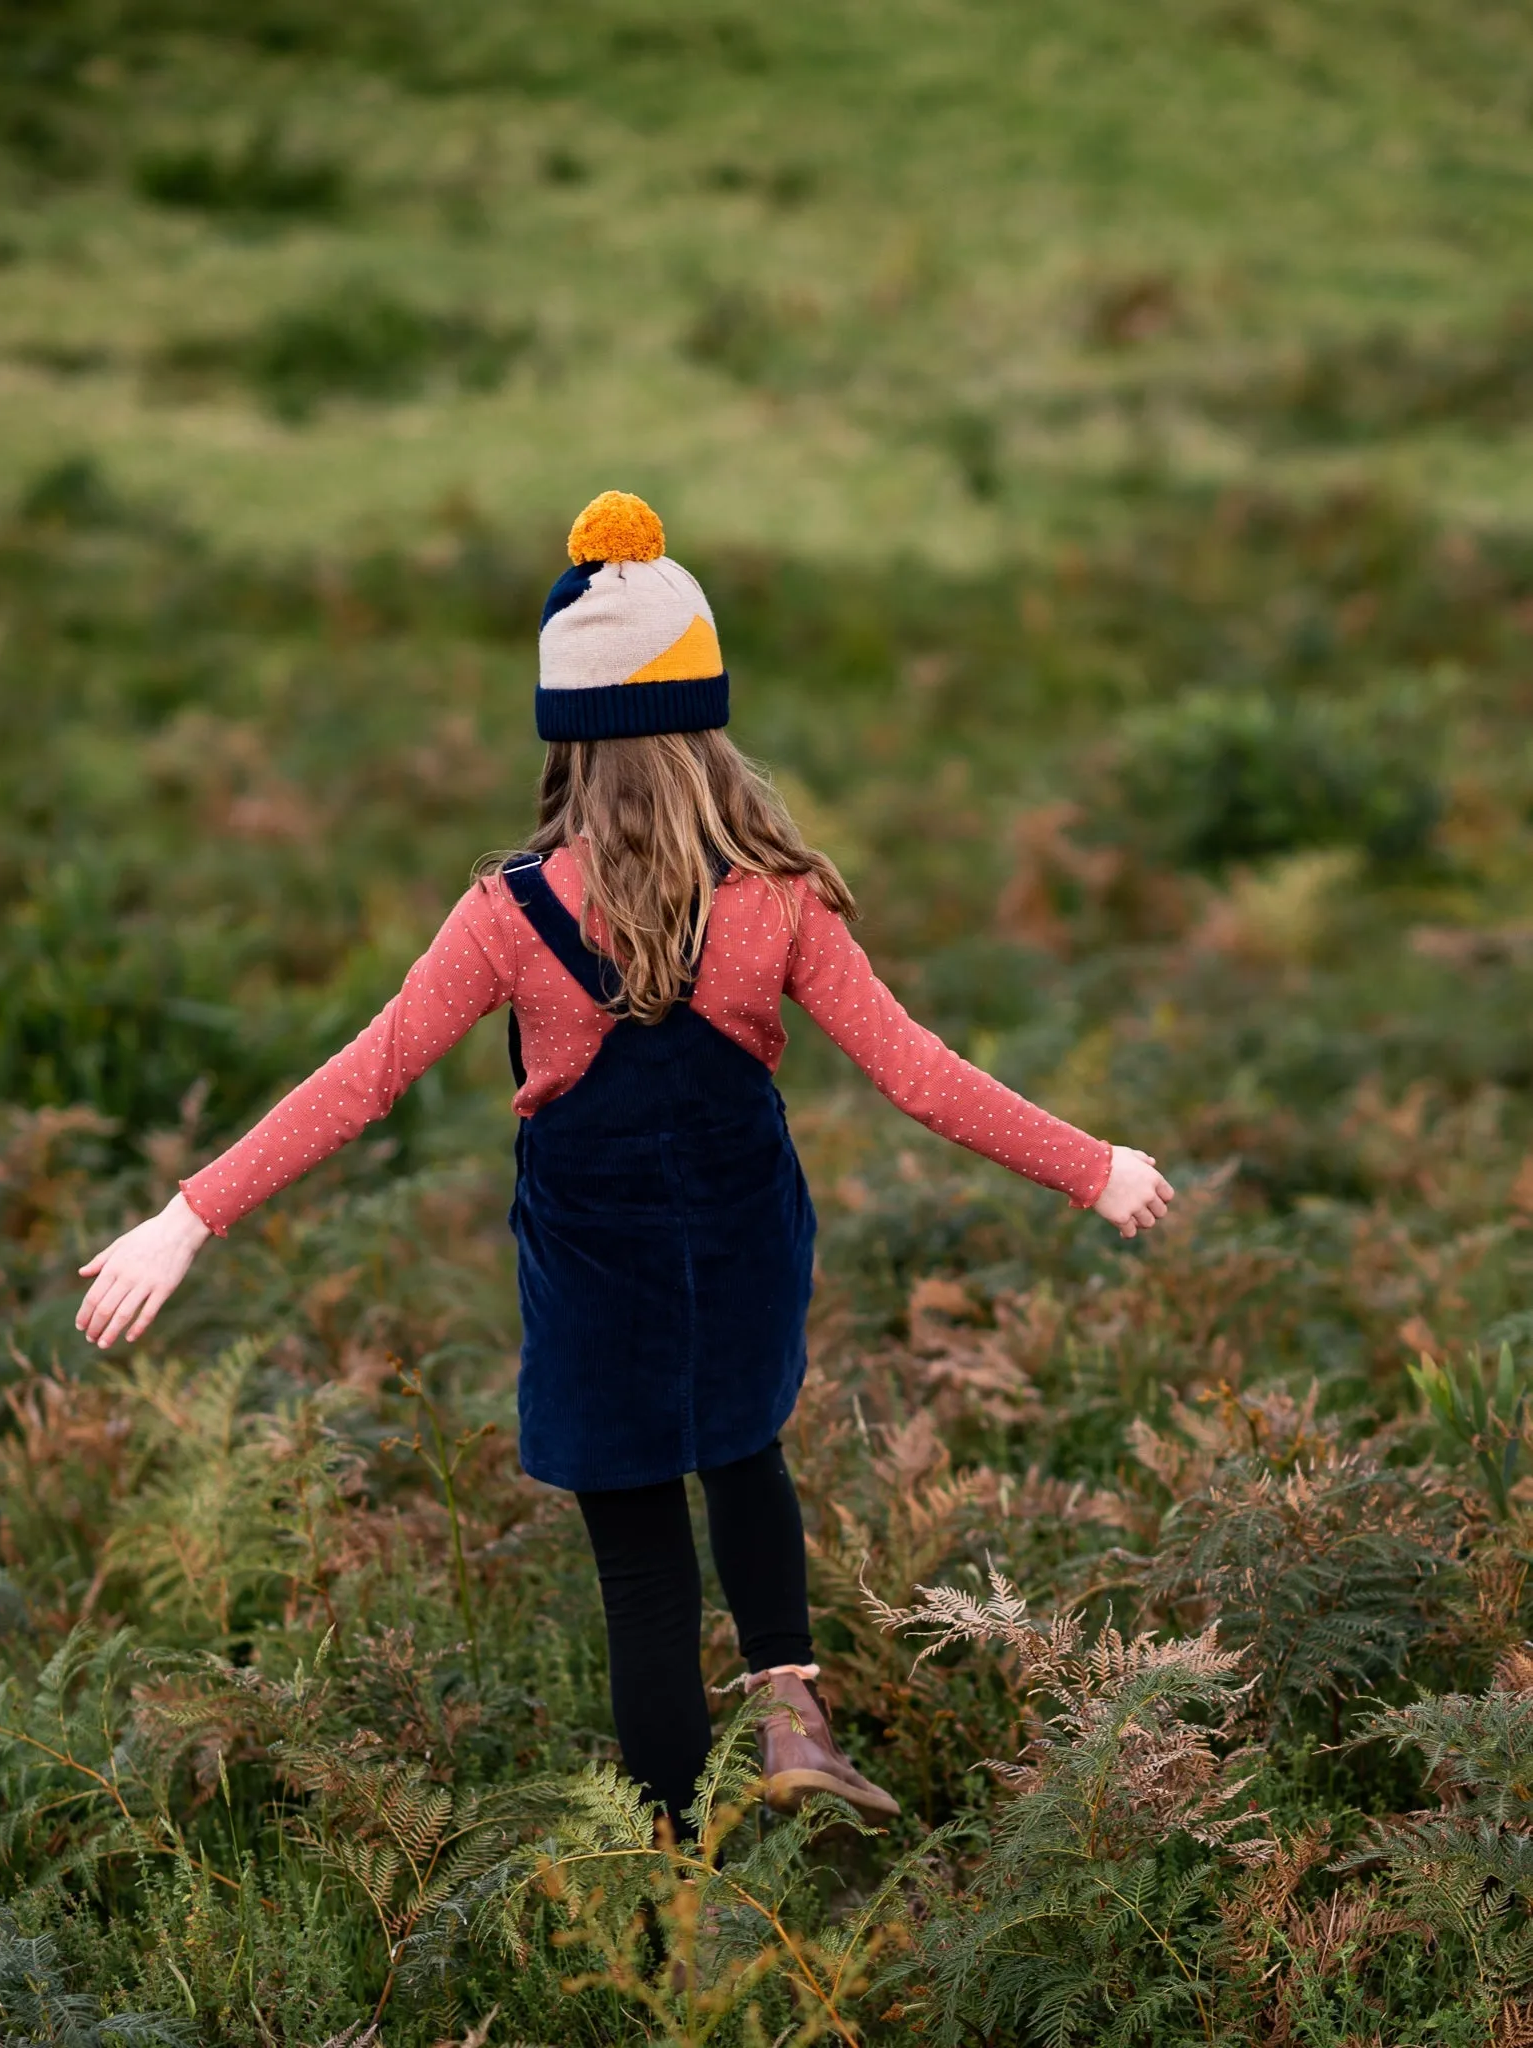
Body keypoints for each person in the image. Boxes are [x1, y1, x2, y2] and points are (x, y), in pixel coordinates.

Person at [76, 490, 1174, 1834]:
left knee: (646, 1572)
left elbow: (361, 1081)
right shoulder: (777, 897)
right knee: (747, 1448)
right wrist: (1091, 1163)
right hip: (740, 1244)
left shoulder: (506, 915)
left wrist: (187, 1217)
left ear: (571, 742)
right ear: (707, 724)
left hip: (595, 1276)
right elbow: (917, 1076)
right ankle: (790, 1717)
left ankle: (668, 1890)